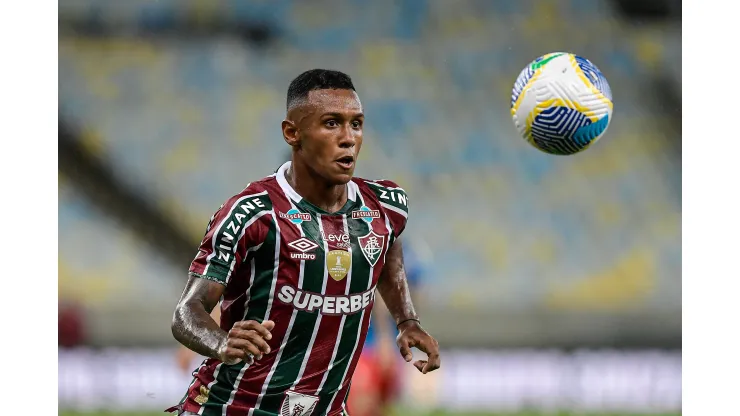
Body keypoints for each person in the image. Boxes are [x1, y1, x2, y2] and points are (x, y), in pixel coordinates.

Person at [168, 69, 440, 416]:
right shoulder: (251, 214)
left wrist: (407, 320)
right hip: (233, 407)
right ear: (292, 133)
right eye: (331, 123)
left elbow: (388, 250)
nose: (348, 138)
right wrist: (221, 341)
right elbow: (185, 314)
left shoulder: (384, 206)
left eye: (356, 124)